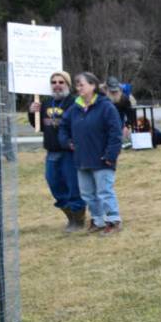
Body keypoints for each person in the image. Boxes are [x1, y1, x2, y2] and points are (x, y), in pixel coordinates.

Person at [59, 72, 123, 235]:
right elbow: (63, 128)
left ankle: (113, 221)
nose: (78, 88)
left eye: (82, 84)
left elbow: (115, 133)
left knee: (104, 191)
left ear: (93, 86)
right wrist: (67, 142)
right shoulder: (74, 108)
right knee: (87, 194)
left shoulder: (106, 107)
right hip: (82, 159)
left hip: (102, 159)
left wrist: (110, 155)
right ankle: (98, 220)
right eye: (77, 85)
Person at [29, 71, 86, 232]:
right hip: (52, 152)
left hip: (69, 152)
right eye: (54, 82)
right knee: (55, 185)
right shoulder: (45, 103)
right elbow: (38, 126)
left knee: (73, 187)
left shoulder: (76, 103)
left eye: (61, 82)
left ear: (68, 85)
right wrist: (32, 112)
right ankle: (70, 217)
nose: (57, 85)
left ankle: (78, 220)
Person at [105, 76, 136, 144]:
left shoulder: (124, 99)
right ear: (107, 90)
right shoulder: (101, 98)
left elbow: (131, 115)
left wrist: (127, 126)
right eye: (112, 92)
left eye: (116, 91)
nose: (114, 93)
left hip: (118, 126)